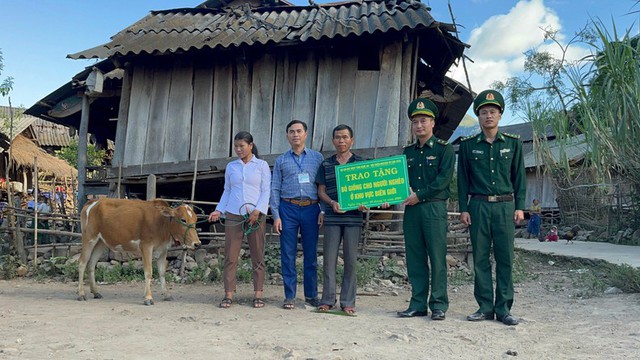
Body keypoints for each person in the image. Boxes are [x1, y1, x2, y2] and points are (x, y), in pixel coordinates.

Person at [457, 89, 526, 326]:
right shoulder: (467, 146)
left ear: (500, 115)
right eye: (484, 112)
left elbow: (520, 178)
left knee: (505, 258)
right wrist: (463, 208)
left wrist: (521, 206)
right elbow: (462, 179)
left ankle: (504, 309)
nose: (488, 116)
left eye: (493, 112)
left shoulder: (513, 144)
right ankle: (485, 307)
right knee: (480, 258)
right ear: (478, 117)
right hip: (478, 206)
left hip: (506, 207)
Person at [315, 124, 384, 315]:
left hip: (354, 218)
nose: (341, 141)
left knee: (350, 260)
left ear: (352, 140)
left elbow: (369, 193)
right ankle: (327, 299)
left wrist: (364, 203)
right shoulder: (326, 164)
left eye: (345, 137)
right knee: (329, 260)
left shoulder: (361, 164)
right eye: (338, 137)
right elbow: (321, 191)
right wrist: (331, 202)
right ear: (333, 140)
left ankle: (348, 302)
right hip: (332, 217)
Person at [397, 98, 454, 321]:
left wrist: (418, 195)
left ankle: (438, 304)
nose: (419, 125)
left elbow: (443, 180)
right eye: (415, 122)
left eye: (423, 120)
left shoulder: (444, 149)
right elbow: (399, 181)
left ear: (432, 123)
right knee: (415, 257)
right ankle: (418, 303)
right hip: (412, 211)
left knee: (437, 258)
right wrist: (394, 194)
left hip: (433, 209)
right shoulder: (407, 152)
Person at [208, 131, 271, 309]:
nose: (238, 149)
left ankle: (258, 294)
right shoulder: (232, 167)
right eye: (236, 146)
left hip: (256, 215)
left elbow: (266, 190)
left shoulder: (262, 165)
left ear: (251, 145)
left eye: (242, 146)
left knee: (258, 253)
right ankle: (229, 294)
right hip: (234, 213)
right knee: (230, 254)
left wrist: (258, 211)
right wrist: (219, 210)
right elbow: (227, 190)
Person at [270, 120, 324, 310]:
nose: (295, 135)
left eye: (299, 131)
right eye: (291, 131)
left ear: (306, 134)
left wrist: (323, 209)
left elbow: (323, 187)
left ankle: (311, 295)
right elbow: (275, 188)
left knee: (310, 254)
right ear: (287, 136)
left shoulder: (317, 158)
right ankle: (290, 295)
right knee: (288, 253)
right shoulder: (281, 161)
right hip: (288, 209)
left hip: (311, 208)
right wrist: (276, 215)